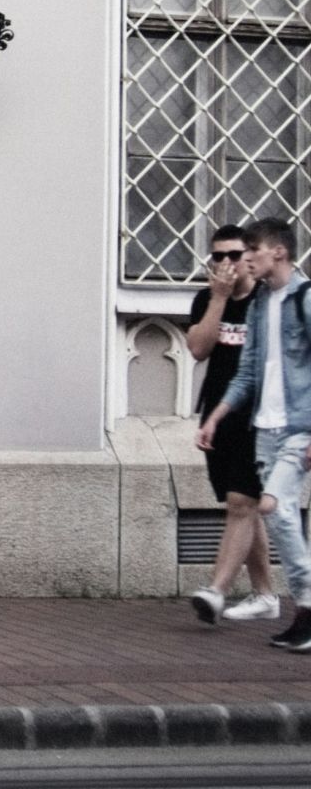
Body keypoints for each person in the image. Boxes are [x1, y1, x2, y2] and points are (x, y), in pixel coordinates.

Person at [200, 216, 311, 651]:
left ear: (278, 252)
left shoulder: (304, 298)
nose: (245, 261)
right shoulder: (262, 304)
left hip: (298, 427)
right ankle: (303, 610)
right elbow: (247, 372)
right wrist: (216, 416)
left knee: (274, 506)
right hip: (263, 426)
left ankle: (306, 607)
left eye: (253, 253)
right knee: (276, 515)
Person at [187, 224, 278, 625]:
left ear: (251, 257)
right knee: (242, 504)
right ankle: (266, 594)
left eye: (234, 255)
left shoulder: (267, 300)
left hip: (258, 418)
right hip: (218, 415)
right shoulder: (208, 299)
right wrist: (219, 300)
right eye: (217, 256)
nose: (226, 264)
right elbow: (198, 348)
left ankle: (216, 590)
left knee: (244, 502)